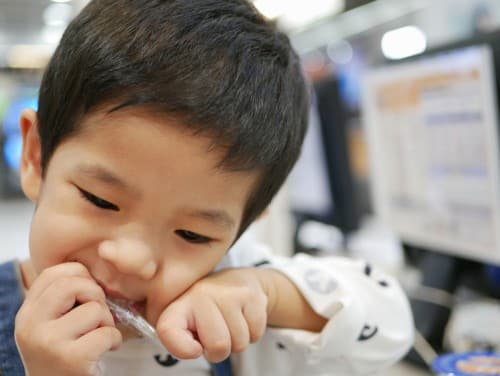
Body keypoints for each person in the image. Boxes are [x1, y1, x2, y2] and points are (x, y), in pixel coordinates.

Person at [0, 0, 414, 375]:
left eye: (192, 234)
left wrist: (267, 294)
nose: (132, 259)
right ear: (36, 157)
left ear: (244, 225)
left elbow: (392, 323)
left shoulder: (230, 285)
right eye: (101, 200)